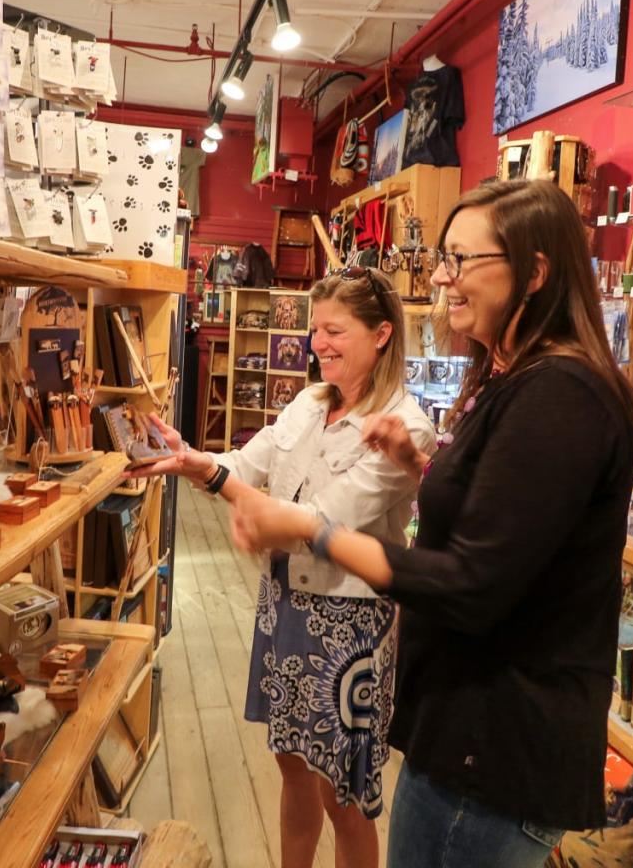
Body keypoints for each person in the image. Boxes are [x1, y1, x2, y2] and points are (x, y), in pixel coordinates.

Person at [228, 180, 633, 866]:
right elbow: (510, 522)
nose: (442, 277)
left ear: (534, 273)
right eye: (443, 259)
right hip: (467, 735)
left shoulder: (560, 396)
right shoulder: (518, 382)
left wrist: (313, 529)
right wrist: (422, 470)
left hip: (495, 749)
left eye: (461, 260)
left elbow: (471, 581)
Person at [134, 267, 435, 868]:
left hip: (350, 624)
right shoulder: (307, 402)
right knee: (291, 766)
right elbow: (249, 465)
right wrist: (195, 460)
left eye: (334, 330)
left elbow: (324, 520)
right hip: (286, 604)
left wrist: (237, 498)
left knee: (342, 795)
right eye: (313, 328)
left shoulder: (408, 425)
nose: (317, 342)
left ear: (380, 335)